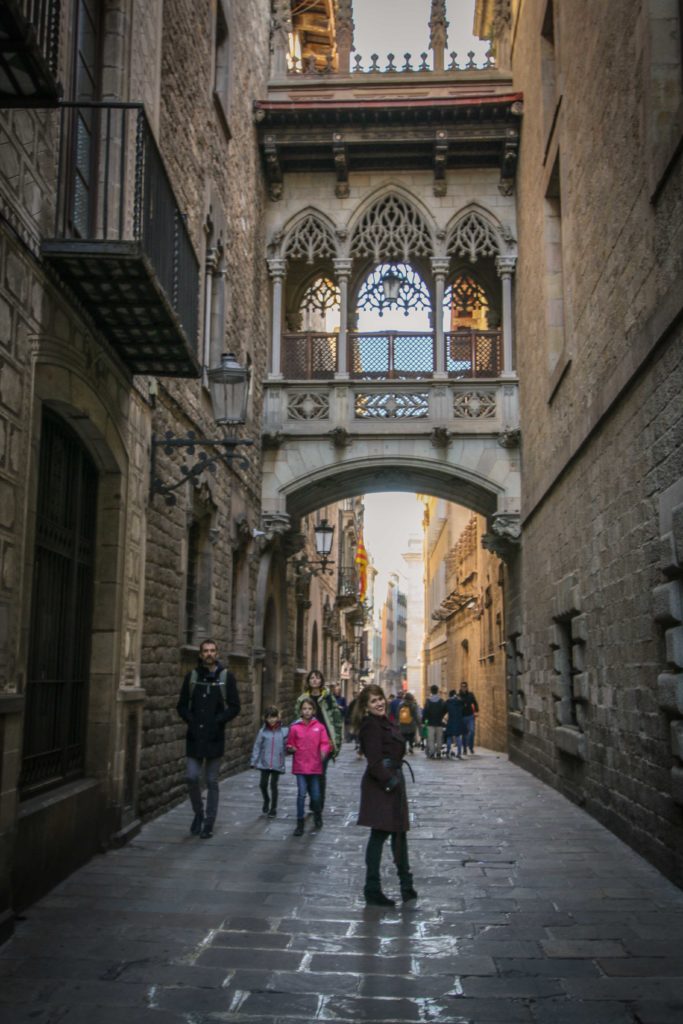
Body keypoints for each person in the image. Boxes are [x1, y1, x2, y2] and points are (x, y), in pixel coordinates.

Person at [352, 683, 416, 907]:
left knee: (399, 835)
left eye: (380, 698)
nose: (379, 703)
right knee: (379, 837)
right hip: (382, 786)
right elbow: (374, 762)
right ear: (366, 707)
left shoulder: (384, 721)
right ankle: (373, 889)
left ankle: (406, 885)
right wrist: (390, 782)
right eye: (373, 701)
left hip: (393, 783)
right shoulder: (371, 726)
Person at [176, 639, 240, 839]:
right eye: (205, 651)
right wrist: (192, 721)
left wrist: (218, 721)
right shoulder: (192, 677)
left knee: (212, 781)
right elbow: (181, 706)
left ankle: (209, 823)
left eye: (212, 651)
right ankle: (198, 813)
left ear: (217, 653)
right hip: (195, 737)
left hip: (214, 738)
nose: (209, 654)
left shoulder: (226, 677)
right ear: (200, 654)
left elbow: (235, 707)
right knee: (191, 777)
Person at [295, 670, 342, 810]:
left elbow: (336, 718)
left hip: (324, 741)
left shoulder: (328, 697)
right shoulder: (302, 699)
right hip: (307, 743)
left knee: (321, 774)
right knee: (308, 774)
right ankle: (314, 798)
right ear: (308, 681)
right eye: (312, 678)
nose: (315, 680)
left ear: (321, 680)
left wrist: (336, 738)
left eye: (317, 678)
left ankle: (318, 805)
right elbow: (297, 719)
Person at [287, 697, 332, 835]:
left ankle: (317, 815)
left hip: (315, 766)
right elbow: (290, 743)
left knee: (316, 795)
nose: (307, 711)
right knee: (301, 794)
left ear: (313, 710)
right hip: (300, 766)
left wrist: (323, 752)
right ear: (301, 710)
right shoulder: (295, 728)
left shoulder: (320, 727)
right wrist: (290, 748)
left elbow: (325, 743)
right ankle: (300, 822)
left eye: (309, 709)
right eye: (304, 709)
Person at [250, 705, 288, 817]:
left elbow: (289, 744)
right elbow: (257, 746)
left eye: (274, 717)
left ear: (278, 717)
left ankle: (273, 808)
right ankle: (266, 800)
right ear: (265, 718)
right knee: (262, 785)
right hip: (264, 763)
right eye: (269, 717)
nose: (272, 720)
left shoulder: (284, 732)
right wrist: (253, 761)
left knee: (273, 785)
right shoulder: (262, 732)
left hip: (277, 763)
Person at [422, 684, 447, 759]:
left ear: (431, 691)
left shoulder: (428, 701)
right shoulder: (441, 701)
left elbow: (425, 712)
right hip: (439, 722)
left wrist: (423, 721)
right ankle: (438, 752)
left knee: (431, 739)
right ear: (437, 691)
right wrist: (441, 716)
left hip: (430, 723)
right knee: (439, 738)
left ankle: (432, 753)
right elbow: (445, 710)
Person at [444, 689, 465, 759]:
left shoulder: (448, 702)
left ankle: (448, 752)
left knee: (449, 737)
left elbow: (445, 709)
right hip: (458, 721)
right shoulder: (459, 702)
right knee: (458, 737)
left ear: (450, 695)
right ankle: (459, 753)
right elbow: (463, 707)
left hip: (451, 721)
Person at [459, 681, 479, 754]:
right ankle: (464, 748)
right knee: (464, 733)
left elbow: (475, 702)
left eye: (465, 686)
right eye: (462, 686)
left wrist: (476, 711)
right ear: (460, 687)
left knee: (472, 731)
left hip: (470, 716)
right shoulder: (458, 696)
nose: (464, 688)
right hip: (463, 716)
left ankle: (471, 747)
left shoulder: (470, 695)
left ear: (467, 687)